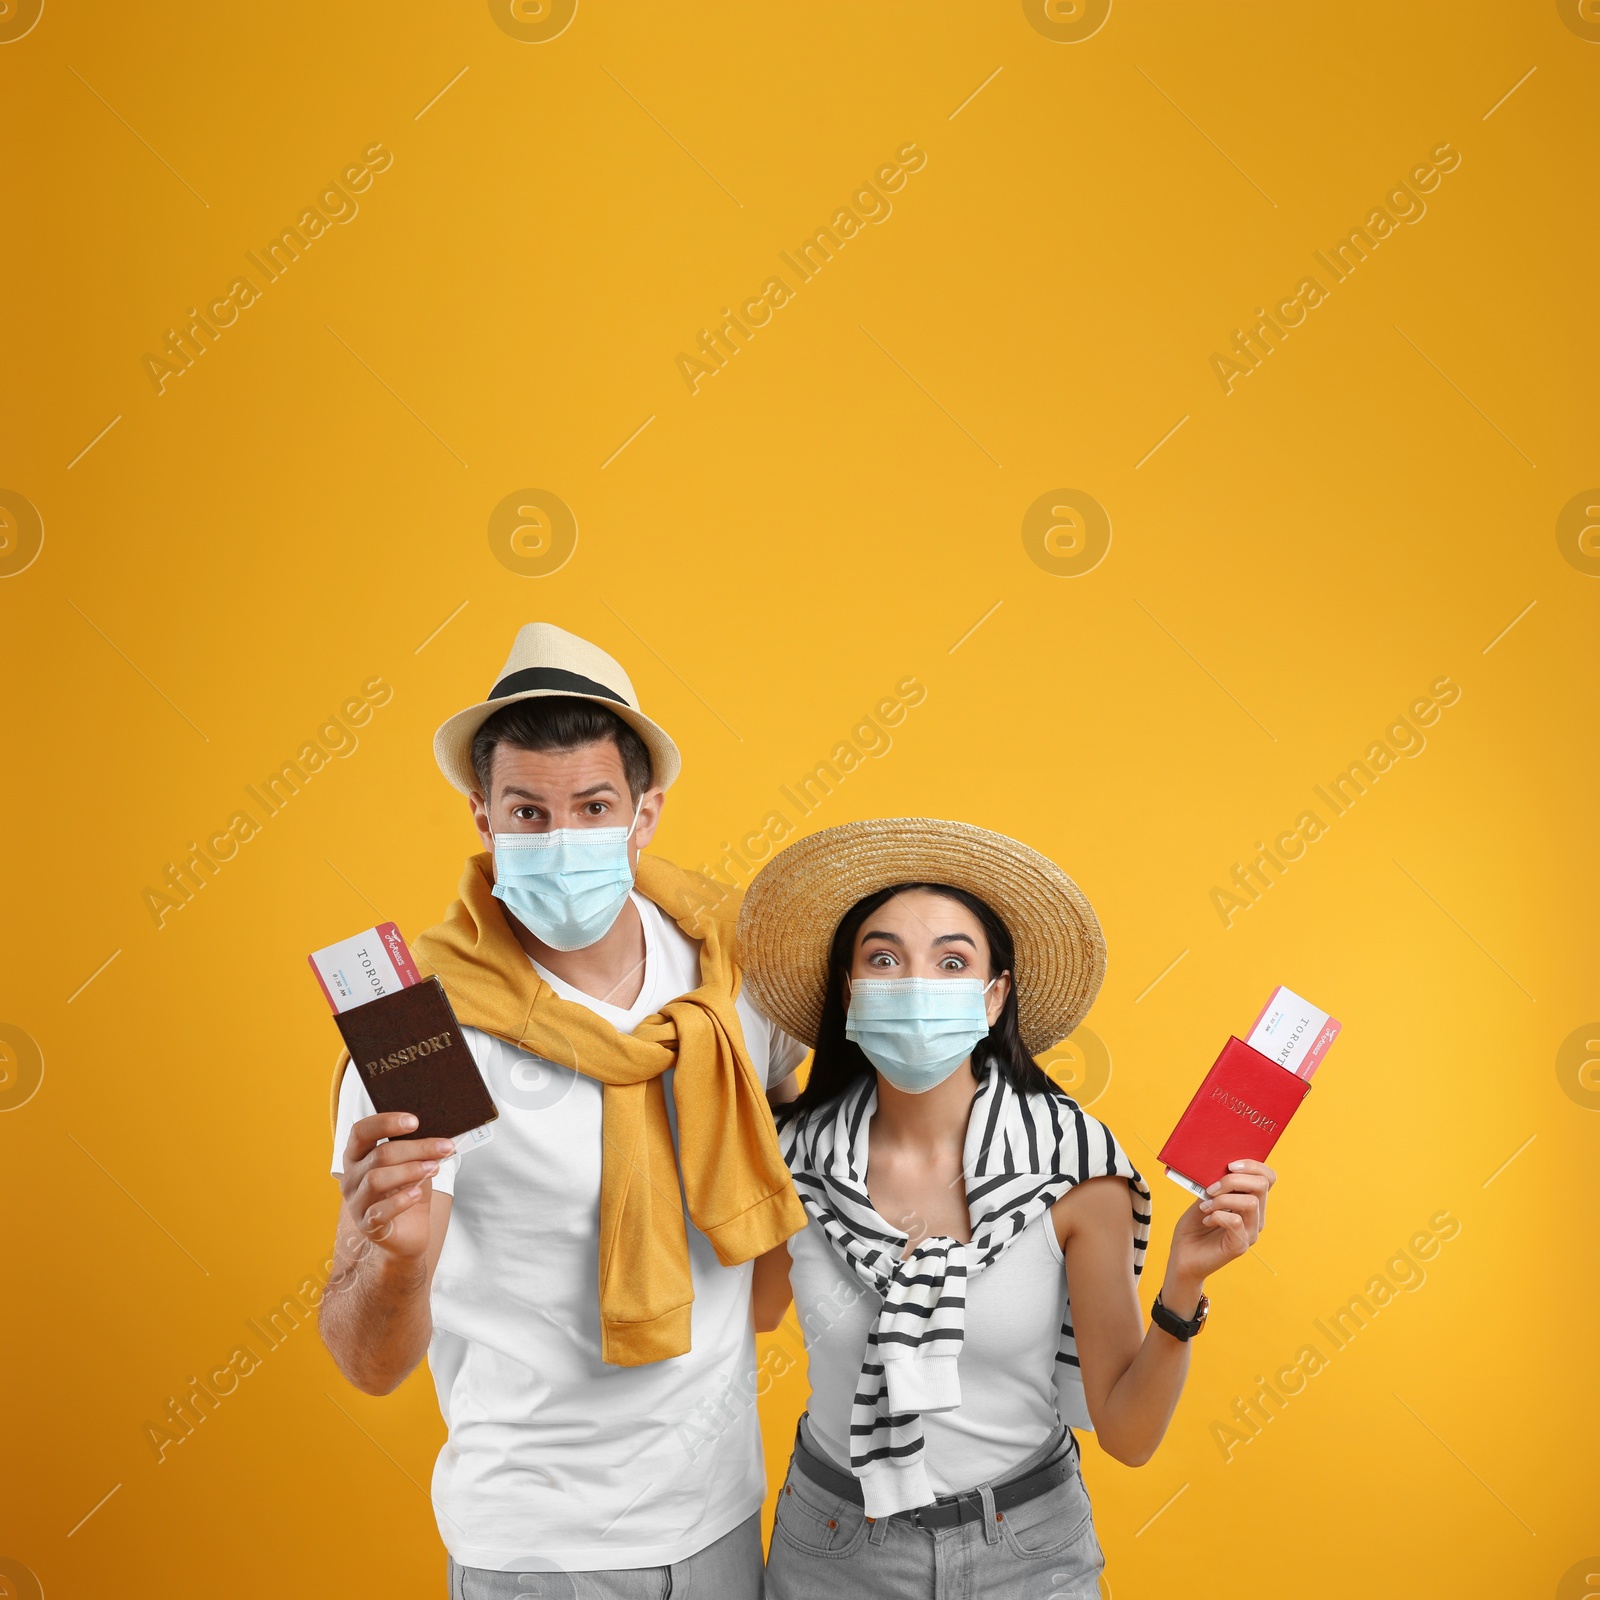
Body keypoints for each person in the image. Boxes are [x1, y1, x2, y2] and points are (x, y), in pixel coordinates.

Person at [318, 622, 807, 1598]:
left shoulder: (734, 977)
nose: (560, 837)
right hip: (532, 1552)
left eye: (591, 807)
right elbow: (367, 1360)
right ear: (482, 816)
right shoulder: (425, 1032)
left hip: (716, 1521)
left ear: (644, 812)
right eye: (527, 812)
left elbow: (794, 1202)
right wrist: (396, 1258)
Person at [737, 818, 1277, 1598]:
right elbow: (749, 1313)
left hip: (1027, 1555)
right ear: (850, 991)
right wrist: (753, 1099)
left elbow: (1126, 1434)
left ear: (995, 997)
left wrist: (1184, 1283)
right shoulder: (795, 1163)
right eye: (884, 958)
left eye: (951, 962)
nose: (916, 984)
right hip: (833, 1551)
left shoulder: (1076, 1169)